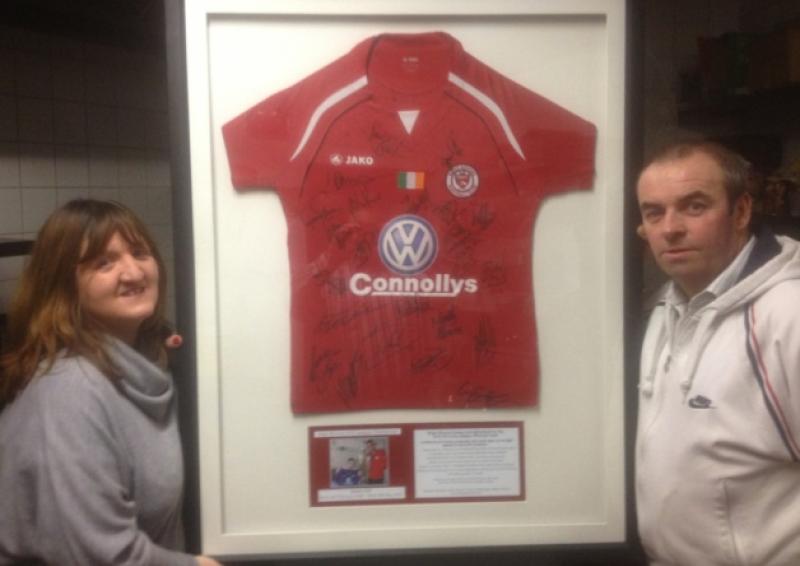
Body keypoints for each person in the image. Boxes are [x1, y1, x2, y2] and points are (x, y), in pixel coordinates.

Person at [0, 200, 221, 566]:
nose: (133, 273)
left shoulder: (143, 367)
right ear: (63, 285)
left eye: (140, 253)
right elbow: (98, 556)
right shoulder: (68, 393)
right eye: (104, 263)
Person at [635, 141, 800, 565]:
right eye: (654, 212)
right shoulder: (667, 306)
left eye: (694, 207)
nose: (670, 228)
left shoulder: (789, 314)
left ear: (741, 212)